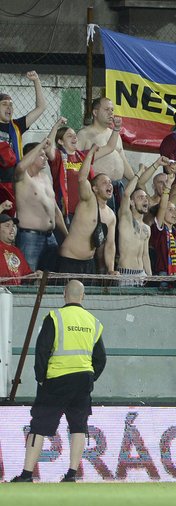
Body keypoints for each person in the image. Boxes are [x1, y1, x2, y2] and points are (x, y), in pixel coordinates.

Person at [9, 280, 105, 483]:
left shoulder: (55, 317)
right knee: (78, 426)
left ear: (64, 294)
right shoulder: (93, 321)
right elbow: (101, 358)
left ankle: (27, 474)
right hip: (83, 380)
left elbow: (42, 350)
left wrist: (41, 378)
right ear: (83, 296)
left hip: (56, 380)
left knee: (39, 425)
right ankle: (72, 474)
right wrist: (90, 377)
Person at [56, 147, 117, 275]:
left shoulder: (111, 215)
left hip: (89, 264)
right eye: (104, 183)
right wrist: (89, 155)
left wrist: (110, 269)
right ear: (94, 188)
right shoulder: (88, 200)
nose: (109, 185)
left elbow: (110, 244)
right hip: (69, 259)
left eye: (110, 182)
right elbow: (82, 178)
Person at [51, 118, 123, 224]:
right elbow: (47, 147)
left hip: (86, 211)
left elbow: (109, 147)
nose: (75, 137)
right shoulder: (58, 156)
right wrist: (56, 126)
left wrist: (116, 129)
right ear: (60, 141)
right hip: (67, 213)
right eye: (69, 136)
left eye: (75, 135)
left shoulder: (84, 156)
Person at [14, 132, 67, 271]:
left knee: (48, 279)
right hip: (30, 237)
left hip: (51, 237)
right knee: (28, 276)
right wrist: (41, 144)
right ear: (30, 157)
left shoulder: (45, 178)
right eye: (41, 155)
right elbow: (20, 167)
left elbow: (55, 211)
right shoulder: (23, 178)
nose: (45, 158)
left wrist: (67, 236)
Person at [76, 98, 135, 192]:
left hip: (118, 187)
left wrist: (135, 181)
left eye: (112, 110)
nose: (111, 113)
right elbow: (74, 162)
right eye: (107, 109)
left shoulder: (115, 135)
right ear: (95, 112)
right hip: (97, 189)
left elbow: (124, 162)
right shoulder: (84, 134)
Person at [116, 163, 154, 280]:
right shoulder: (125, 218)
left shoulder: (147, 228)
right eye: (140, 198)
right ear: (132, 202)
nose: (145, 200)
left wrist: (150, 277)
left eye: (145, 197)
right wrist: (140, 172)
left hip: (141, 274)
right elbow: (126, 194)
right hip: (126, 273)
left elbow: (145, 255)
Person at [0, 71, 47, 163]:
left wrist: (36, 81)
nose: (9, 107)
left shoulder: (16, 126)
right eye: (4, 104)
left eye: (11, 104)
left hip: (14, 173)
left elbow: (41, 107)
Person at [0, 212, 31, 282]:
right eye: (7, 226)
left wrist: (36, 275)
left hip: (16, 291)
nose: (12, 229)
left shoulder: (17, 251)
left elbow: (26, 275)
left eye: (13, 226)